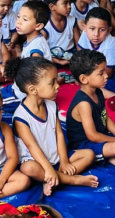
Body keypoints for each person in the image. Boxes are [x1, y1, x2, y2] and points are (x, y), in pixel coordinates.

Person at [12, 58, 98, 194]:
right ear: (33, 89)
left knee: (89, 155)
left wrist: (64, 161)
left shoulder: (51, 105)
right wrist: (48, 168)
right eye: (52, 83)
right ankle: (74, 180)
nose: (58, 86)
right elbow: (32, 146)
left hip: (56, 157)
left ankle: (52, 180)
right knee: (28, 168)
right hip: (38, 162)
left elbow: (59, 134)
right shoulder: (21, 117)